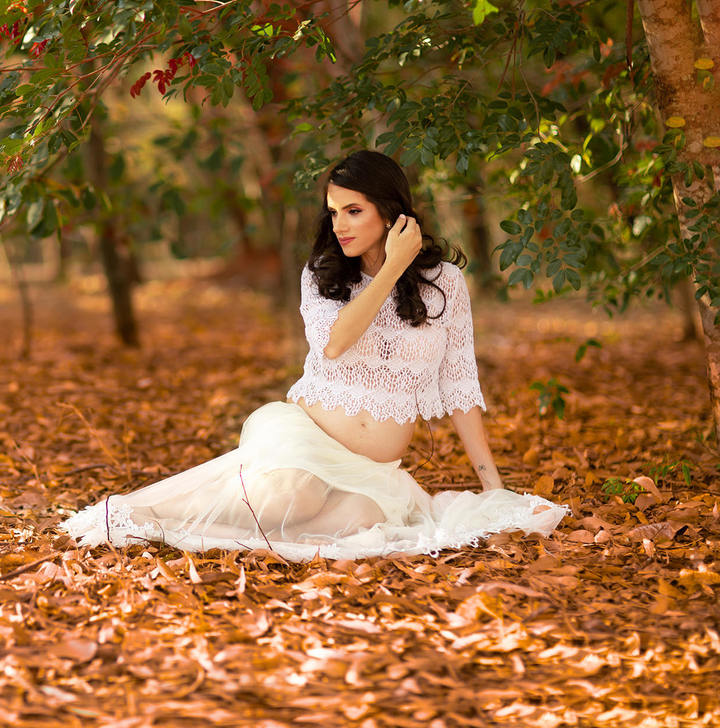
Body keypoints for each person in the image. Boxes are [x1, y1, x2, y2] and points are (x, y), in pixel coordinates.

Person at [62, 150, 567, 561]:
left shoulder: (445, 285)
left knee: (357, 528)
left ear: (391, 212)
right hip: (304, 440)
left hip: (373, 470)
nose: (341, 225)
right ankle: (129, 515)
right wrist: (391, 268)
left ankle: (168, 526)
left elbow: (459, 386)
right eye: (333, 212)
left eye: (354, 211)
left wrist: (493, 487)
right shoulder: (322, 275)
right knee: (292, 496)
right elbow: (337, 342)